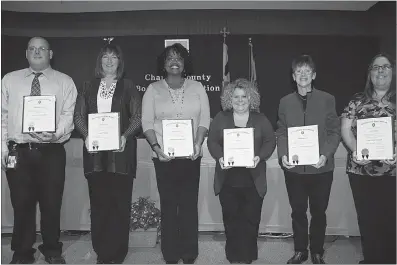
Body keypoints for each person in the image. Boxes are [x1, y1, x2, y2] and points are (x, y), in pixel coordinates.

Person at [1, 37, 77, 264]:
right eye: (32, 49)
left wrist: (55, 133)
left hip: (51, 151)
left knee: (51, 203)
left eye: (42, 48)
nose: (37, 52)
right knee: (21, 204)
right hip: (18, 151)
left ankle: (52, 250)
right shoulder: (9, 80)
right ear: (26, 53)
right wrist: (3, 148)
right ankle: (22, 252)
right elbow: (2, 117)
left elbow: (68, 116)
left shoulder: (65, 82)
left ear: (50, 54)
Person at [141, 43, 210, 264]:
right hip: (164, 158)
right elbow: (147, 122)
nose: (174, 61)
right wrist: (156, 148)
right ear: (163, 63)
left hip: (191, 157)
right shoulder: (153, 89)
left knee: (189, 205)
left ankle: (189, 253)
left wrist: (198, 144)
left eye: (179, 57)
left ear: (184, 63)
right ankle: (170, 253)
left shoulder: (198, 87)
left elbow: (205, 119)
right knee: (169, 206)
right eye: (170, 57)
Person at [73, 43, 142, 264]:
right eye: (105, 56)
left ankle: (118, 252)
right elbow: (78, 116)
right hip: (95, 156)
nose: (109, 61)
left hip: (120, 155)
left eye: (114, 57)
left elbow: (137, 117)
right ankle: (102, 252)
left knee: (119, 204)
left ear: (120, 62)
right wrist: (86, 137)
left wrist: (124, 136)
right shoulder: (87, 85)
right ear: (99, 61)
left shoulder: (129, 85)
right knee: (100, 204)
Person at [276, 55, 341, 264]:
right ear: (294, 77)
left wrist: (326, 154)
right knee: (297, 212)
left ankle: (317, 251)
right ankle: (300, 250)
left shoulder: (327, 99)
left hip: (321, 168)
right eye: (298, 72)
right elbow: (282, 131)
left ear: (314, 75)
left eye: (307, 71)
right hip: (294, 170)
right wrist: (283, 154)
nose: (303, 75)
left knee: (319, 212)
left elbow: (334, 132)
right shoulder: (284, 102)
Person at [207, 78, 276, 264]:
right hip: (228, 178)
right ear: (229, 98)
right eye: (235, 96)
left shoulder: (261, 119)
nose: (240, 100)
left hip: (253, 179)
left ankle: (248, 256)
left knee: (251, 219)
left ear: (251, 98)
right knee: (231, 219)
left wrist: (259, 157)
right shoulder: (221, 118)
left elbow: (271, 141)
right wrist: (220, 157)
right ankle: (233, 255)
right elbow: (211, 141)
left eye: (244, 96)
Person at [341, 53, 396, 264]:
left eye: (385, 66)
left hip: (393, 171)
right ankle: (372, 259)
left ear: (392, 71)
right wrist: (356, 150)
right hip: (360, 170)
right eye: (376, 67)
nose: (380, 71)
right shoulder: (357, 100)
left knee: (391, 218)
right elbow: (346, 128)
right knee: (367, 218)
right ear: (369, 73)